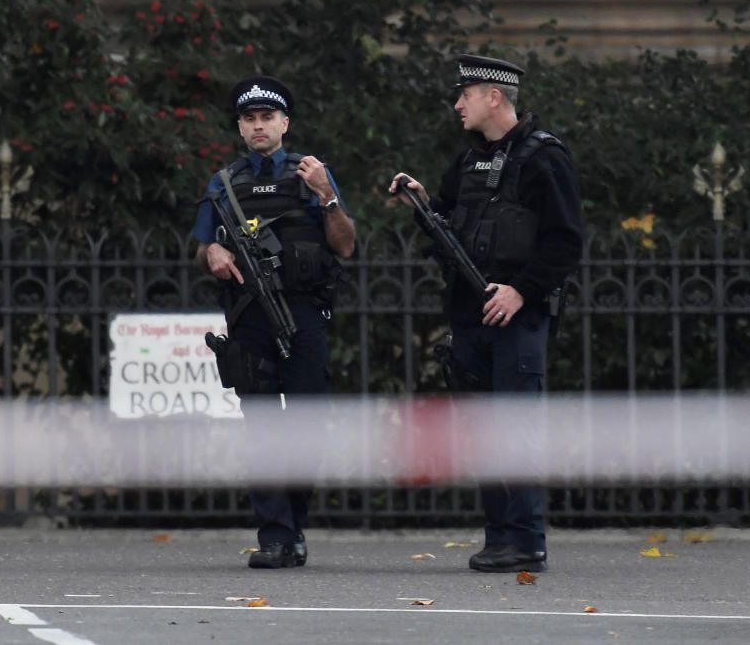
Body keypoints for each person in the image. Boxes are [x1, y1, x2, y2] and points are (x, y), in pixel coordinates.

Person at [389, 54, 583, 573]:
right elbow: (449, 228)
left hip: (517, 320)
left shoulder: (545, 158)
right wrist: (423, 205)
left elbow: (565, 243)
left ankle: (527, 540)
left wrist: (521, 290)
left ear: (494, 97)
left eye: (465, 95)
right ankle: (499, 537)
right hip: (470, 318)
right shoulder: (469, 162)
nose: (458, 104)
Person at [193, 75, 355, 569]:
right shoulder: (224, 184)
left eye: (268, 117)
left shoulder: (309, 173)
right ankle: (274, 536)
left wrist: (326, 195)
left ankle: (295, 525)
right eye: (250, 118)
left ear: (285, 123)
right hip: (250, 318)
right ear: (240, 127)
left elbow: (345, 245)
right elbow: (202, 247)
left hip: (303, 314)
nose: (259, 125)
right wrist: (214, 251)